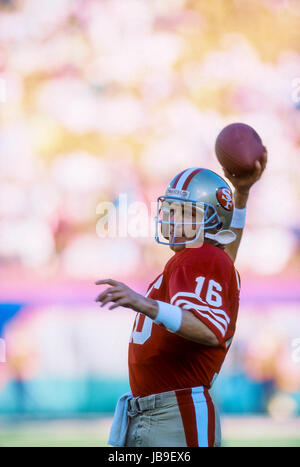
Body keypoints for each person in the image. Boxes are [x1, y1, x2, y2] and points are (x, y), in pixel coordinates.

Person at [95, 154, 267, 447]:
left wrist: (144, 303)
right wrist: (241, 197)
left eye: (185, 212)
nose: (172, 219)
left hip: (176, 412)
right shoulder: (201, 259)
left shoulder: (201, 256)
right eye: (170, 209)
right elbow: (223, 255)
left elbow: (209, 329)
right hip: (155, 410)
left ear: (211, 220)